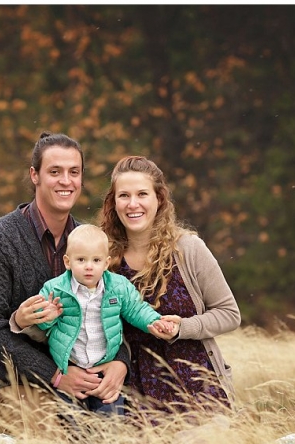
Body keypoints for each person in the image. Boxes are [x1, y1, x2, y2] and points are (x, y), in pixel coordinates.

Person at [0, 132, 129, 435]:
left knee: (123, 439)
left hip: (84, 378)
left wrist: (120, 362)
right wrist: (55, 376)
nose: (65, 181)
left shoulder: (89, 241)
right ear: (35, 175)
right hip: (13, 382)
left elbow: (114, 310)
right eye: (55, 172)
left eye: (74, 172)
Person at [99, 155, 241, 417]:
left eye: (142, 194)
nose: (133, 204)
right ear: (113, 202)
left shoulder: (188, 249)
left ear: (159, 199)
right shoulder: (103, 259)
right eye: (124, 196)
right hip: (132, 395)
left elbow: (230, 314)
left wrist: (184, 328)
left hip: (199, 389)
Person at [12, 224, 177, 416]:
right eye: (81, 260)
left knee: (111, 415)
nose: (89, 266)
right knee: (70, 417)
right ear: (68, 262)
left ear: (106, 263)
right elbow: (43, 325)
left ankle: (107, 438)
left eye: (96, 260)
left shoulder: (118, 287)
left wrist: (153, 322)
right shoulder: (55, 289)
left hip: (104, 364)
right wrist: (48, 318)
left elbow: (136, 309)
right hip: (70, 365)